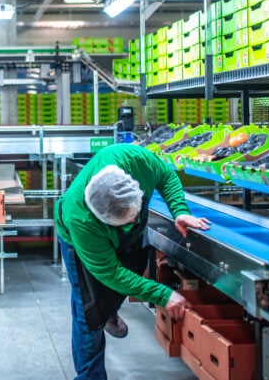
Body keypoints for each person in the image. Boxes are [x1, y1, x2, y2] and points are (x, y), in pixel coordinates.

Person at [55, 143, 210, 380]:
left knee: (135, 267)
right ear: (102, 219)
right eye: (124, 221)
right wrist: (163, 295)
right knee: (90, 311)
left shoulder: (135, 160)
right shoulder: (81, 221)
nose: (133, 221)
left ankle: (110, 310)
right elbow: (111, 274)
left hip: (121, 230)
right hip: (78, 242)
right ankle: (90, 375)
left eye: (135, 213)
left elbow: (167, 175)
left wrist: (179, 210)